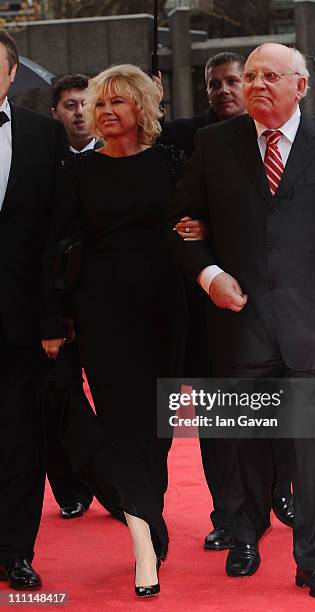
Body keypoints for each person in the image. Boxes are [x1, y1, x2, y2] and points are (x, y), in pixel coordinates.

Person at [170, 43, 315, 598]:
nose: (257, 83)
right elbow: (180, 224)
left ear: (301, 85)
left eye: (270, 75)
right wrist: (209, 276)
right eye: (250, 76)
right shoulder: (213, 144)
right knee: (243, 440)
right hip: (238, 322)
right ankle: (245, 533)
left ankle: (314, 557)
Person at [42, 64, 186, 599]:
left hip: (165, 310)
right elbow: (59, 245)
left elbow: (195, 216)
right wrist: (56, 317)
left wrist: (199, 226)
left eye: (118, 102)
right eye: (100, 103)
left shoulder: (170, 160)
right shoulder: (77, 171)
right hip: (101, 313)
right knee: (123, 425)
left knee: (158, 427)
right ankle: (143, 544)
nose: (104, 111)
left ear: (142, 108)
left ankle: (150, 512)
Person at [163, 52, 295, 551]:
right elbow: (179, 217)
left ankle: (280, 489)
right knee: (220, 422)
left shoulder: (291, 135)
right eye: (215, 83)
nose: (225, 90)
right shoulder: (189, 138)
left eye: (234, 80)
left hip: (279, 308)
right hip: (212, 309)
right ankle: (230, 514)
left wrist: (211, 227)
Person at [0, 30, 68, 589]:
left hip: (21, 320)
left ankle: (16, 549)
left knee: (22, 437)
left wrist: (52, 319)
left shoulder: (44, 136)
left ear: (12, 72)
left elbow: (57, 236)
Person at [42, 74, 97, 520]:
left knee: (115, 398)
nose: (80, 112)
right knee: (57, 395)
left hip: (106, 303)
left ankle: (122, 488)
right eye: (70, 105)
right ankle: (71, 487)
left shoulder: (122, 154)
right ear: (54, 112)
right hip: (55, 304)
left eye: (86, 103)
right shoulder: (41, 160)